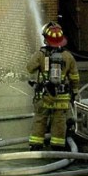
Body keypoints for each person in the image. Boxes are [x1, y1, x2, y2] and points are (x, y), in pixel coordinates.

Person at [26, 21, 80, 151]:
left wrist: (37, 57)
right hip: (61, 98)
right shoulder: (68, 56)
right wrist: (75, 91)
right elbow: (74, 77)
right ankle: (57, 145)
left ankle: (36, 144)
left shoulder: (41, 54)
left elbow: (29, 68)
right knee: (59, 121)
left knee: (40, 119)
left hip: (44, 96)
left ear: (46, 39)